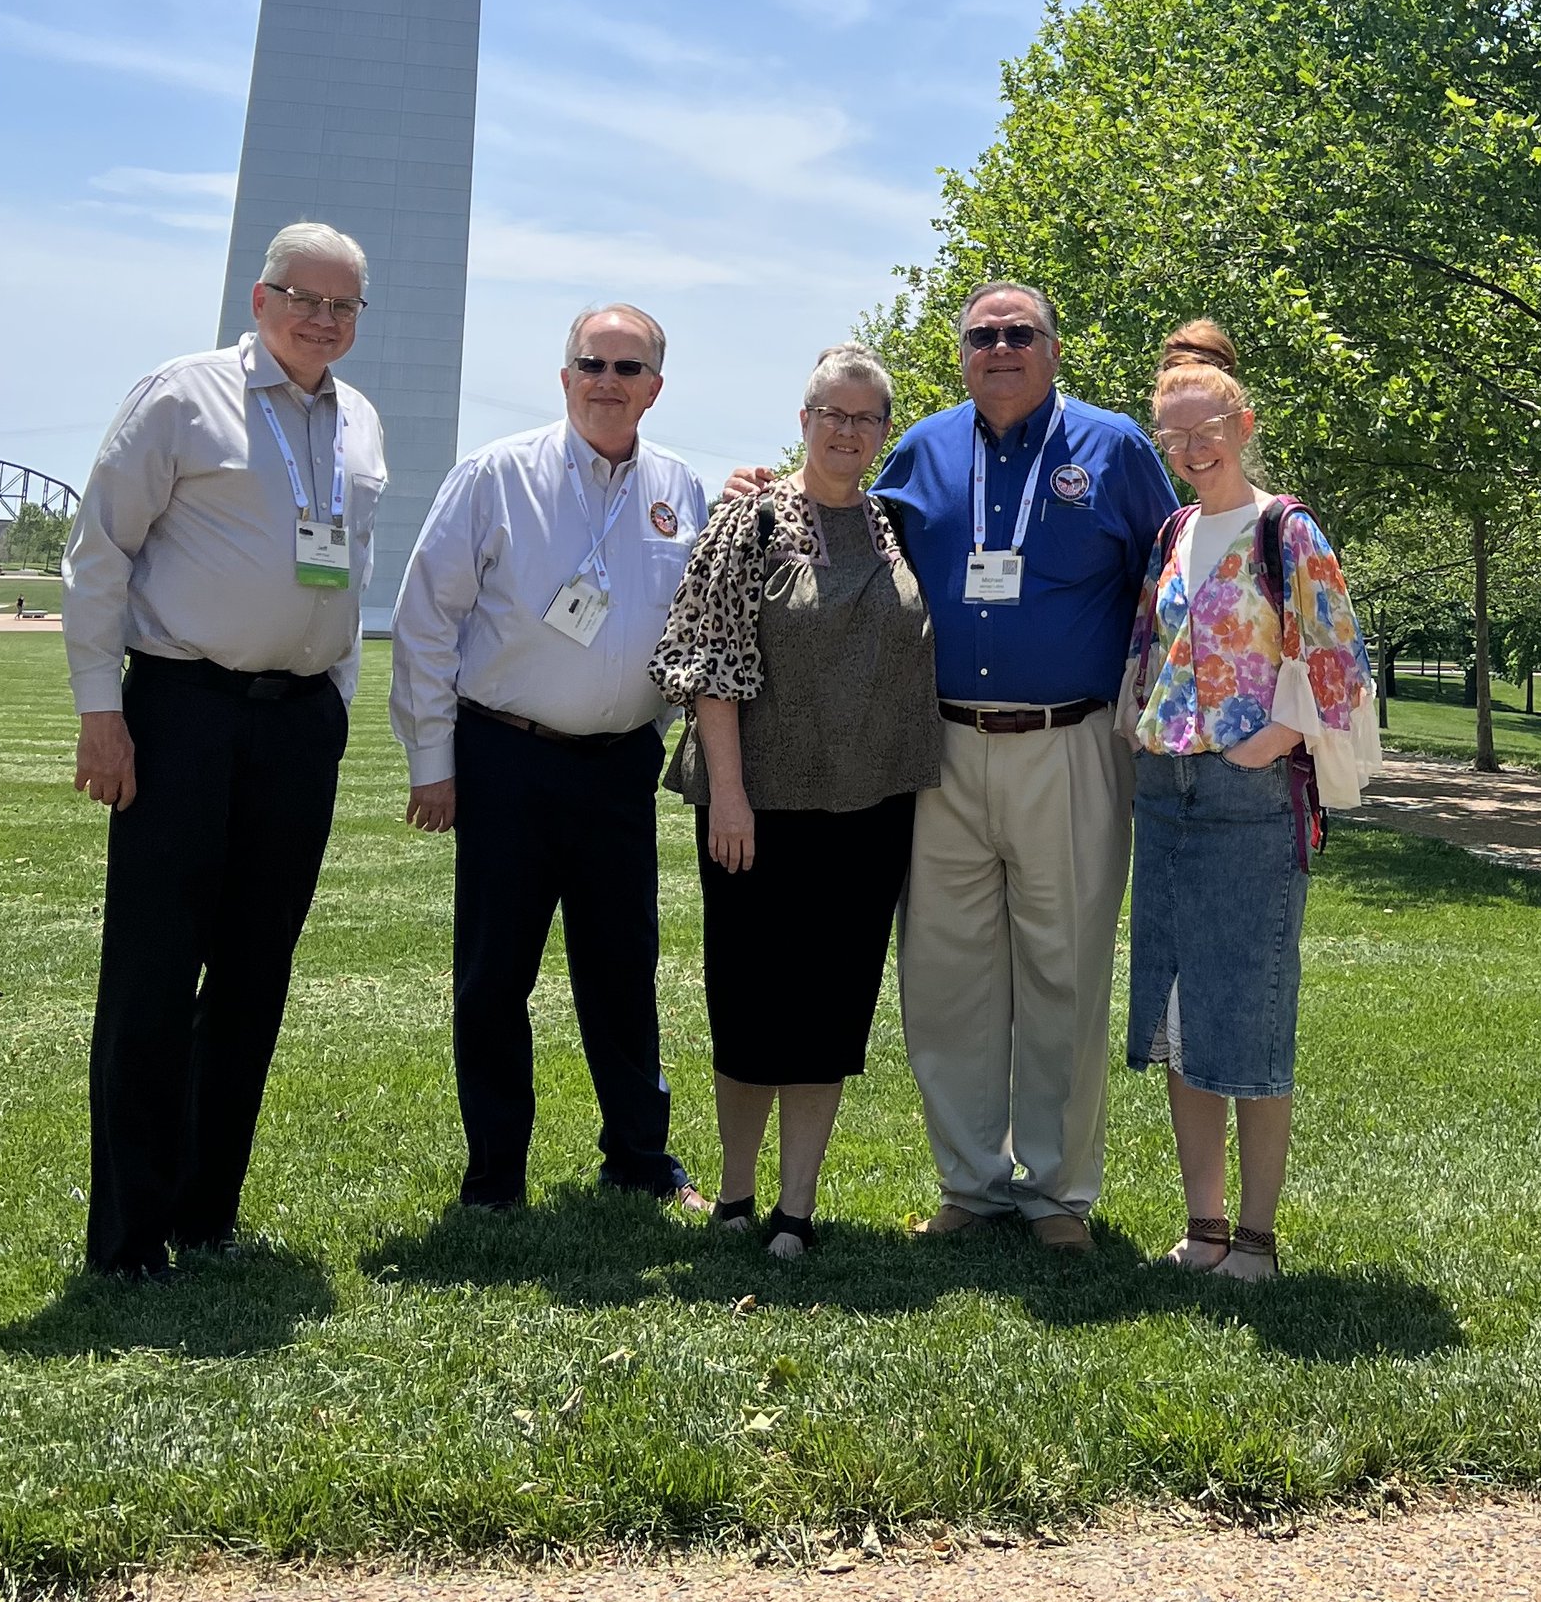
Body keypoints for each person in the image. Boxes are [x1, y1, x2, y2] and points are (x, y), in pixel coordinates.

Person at [64, 223, 387, 1278]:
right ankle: (126, 1235)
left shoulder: (361, 421)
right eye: (306, 298)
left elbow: (348, 566)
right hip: (183, 709)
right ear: (261, 297)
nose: (323, 319)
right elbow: (98, 550)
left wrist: (333, 691)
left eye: (344, 306)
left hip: (299, 724)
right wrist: (99, 712)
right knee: (154, 972)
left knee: (255, 972)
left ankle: (205, 1208)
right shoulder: (181, 395)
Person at [870, 282, 1178, 1248]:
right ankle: (970, 1181)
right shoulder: (921, 448)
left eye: (1020, 333)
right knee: (945, 971)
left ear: (1052, 349)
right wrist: (767, 487)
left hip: (1072, 744)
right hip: (943, 748)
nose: (999, 347)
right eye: (982, 335)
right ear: (961, 352)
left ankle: (1056, 1195)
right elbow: (849, 534)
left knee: (1066, 969)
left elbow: (1173, 575)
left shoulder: (1113, 446)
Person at [391, 307, 711, 1215]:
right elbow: (426, 621)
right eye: (592, 362)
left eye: (629, 365)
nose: (609, 378)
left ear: (656, 384)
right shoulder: (496, 476)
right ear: (564, 375)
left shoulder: (680, 489)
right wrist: (431, 758)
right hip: (505, 757)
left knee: (623, 969)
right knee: (495, 975)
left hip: (619, 768)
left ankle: (640, 1157)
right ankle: (495, 1176)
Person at [649, 345, 939, 1255]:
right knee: (749, 1002)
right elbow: (710, 665)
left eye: (866, 418)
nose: (848, 431)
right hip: (757, 809)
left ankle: (796, 1209)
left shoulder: (899, 527)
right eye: (832, 413)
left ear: (884, 433)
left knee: (830, 1010)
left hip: (872, 811)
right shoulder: (752, 522)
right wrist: (728, 795)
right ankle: (735, 1196)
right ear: (803, 418)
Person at [1117, 358, 1377, 1282]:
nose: (1190, 449)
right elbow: (1151, 645)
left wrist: (1273, 739)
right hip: (1168, 792)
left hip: (1250, 799)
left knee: (1254, 1009)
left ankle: (1258, 1241)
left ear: (1243, 421)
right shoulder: (1176, 529)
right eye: (1171, 435)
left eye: (1205, 429)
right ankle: (1206, 1228)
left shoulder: (1285, 528)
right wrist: (1144, 732)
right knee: (1182, 1010)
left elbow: (1340, 657)